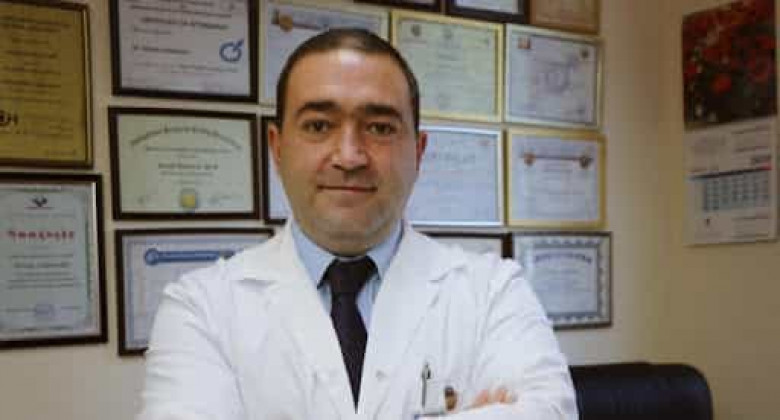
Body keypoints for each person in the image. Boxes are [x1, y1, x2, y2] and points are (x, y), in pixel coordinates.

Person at [138, 28, 577, 420]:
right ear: (277, 147)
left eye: (380, 128)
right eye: (318, 125)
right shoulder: (201, 308)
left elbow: (550, 412)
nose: (349, 156)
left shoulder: (493, 291)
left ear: (418, 151)